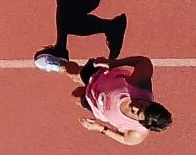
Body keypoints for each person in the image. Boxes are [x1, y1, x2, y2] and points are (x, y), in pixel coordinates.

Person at [34, 53, 173, 144]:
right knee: (74, 73)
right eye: (142, 105)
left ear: (143, 123)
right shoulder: (139, 85)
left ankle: (80, 82)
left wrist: (100, 128)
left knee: (75, 95)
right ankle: (60, 65)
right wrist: (114, 63)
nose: (135, 106)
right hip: (101, 78)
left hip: (96, 104)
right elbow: (143, 61)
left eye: (137, 113)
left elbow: (125, 140)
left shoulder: (137, 133)